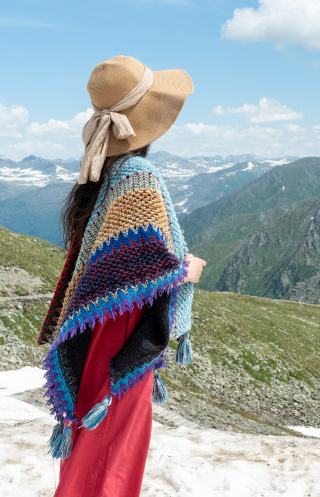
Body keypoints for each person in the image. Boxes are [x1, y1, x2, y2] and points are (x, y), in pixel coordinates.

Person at [36, 55, 206, 496]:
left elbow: (107, 263)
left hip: (97, 329)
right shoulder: (138, 176)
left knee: (93, 443)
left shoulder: (99, 175)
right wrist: (189, 269)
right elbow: (146, 271)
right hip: (125, 329)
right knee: (115, 449)